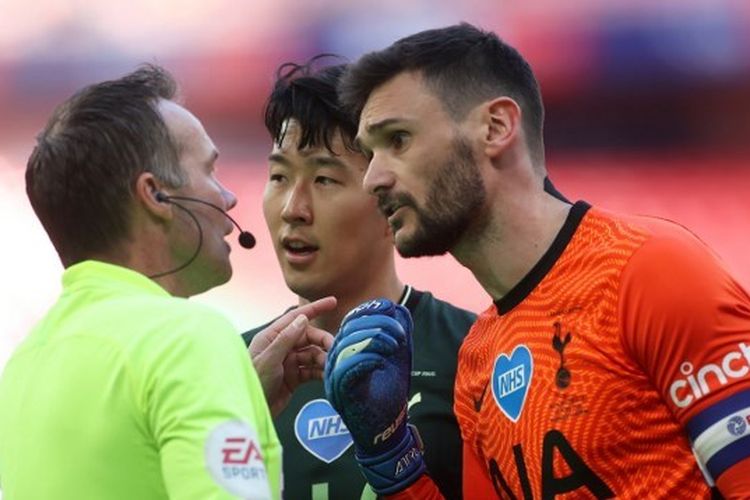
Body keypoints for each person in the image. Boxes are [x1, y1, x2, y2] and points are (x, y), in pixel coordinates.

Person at [323, 23, 750, 498]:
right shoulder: (478, 358)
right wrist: (390, 456)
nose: (373, 178)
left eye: (398, 140)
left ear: (496, 127)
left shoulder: (648, 271)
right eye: (370, 153)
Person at [0, 65, 336, 500]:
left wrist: (241, 397)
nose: (229, 197)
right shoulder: (189, 338)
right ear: (155, 195)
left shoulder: (25, 363)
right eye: (210, 171)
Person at [241, 58, 477, 500]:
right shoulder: (232, 368)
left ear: (389, 200)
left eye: (325, 179)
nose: (293, 207)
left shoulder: (472, 352)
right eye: (278, 176)